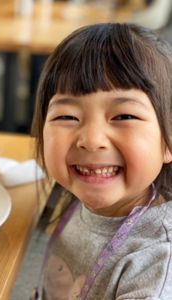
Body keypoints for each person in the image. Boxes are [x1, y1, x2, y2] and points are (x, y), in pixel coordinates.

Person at [31, 23, 172, 299]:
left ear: (167, 141)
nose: (92, 140)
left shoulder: (156, 261)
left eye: (123, 116)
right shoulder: (77, 190)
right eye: (67, 117)